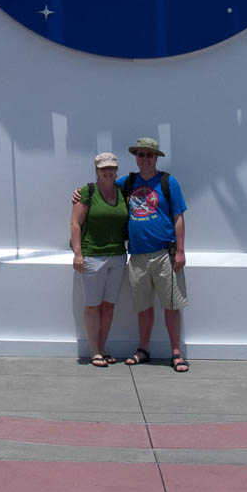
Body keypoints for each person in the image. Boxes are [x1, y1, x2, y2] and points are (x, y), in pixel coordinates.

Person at [76, 136, 189, 372]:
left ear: (156, 158)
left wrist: (180, 251)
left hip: (164, 254)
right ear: (136, 158)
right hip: (137, 256)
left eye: (149, 155)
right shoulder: (128, 181)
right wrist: (79, 192)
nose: (145, 159)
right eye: (140, 154)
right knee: (143, 307)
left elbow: (178, 217)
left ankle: (176, 353)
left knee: (170, 306)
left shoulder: (169, 182)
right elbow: (103, 186)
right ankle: (144, 349)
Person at [70, 152, 128, 368]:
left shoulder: (123, 191)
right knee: (93, 306)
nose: (108, 171)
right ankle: (94, 350)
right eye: (103, 168)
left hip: (117, 256)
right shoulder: (87, 192)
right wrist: (78, 253)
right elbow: (75, 223)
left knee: (109, 305)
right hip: (93, 256)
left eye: (111, 167)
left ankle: (102, 347)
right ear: (96, 170)